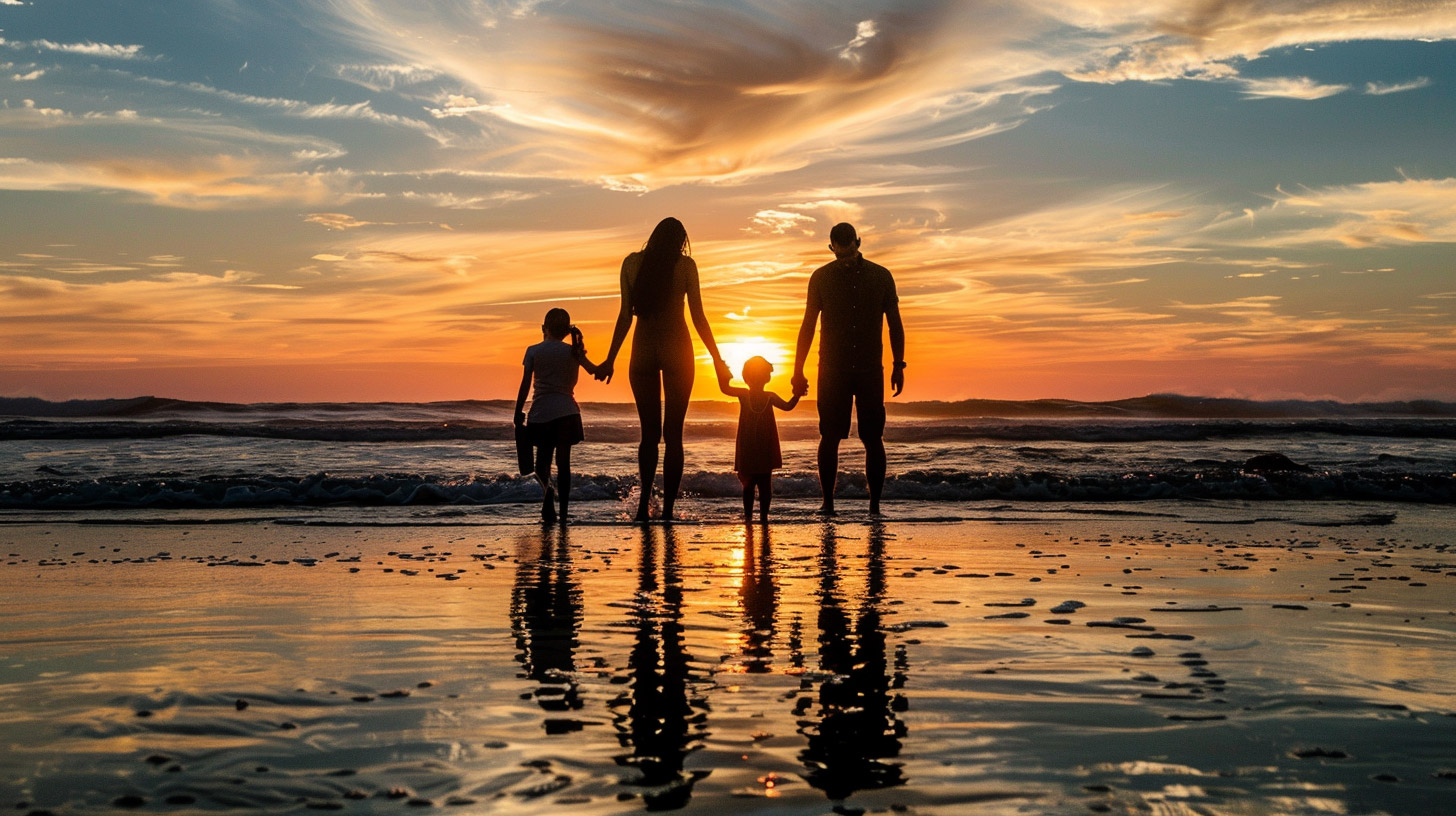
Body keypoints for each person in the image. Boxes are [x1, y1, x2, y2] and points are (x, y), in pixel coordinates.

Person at [597, 217, 730, 522]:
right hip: (677, 350)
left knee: (648, 436)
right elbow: (698, 317)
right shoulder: (685, 266)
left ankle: (644, 504)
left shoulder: (631, 263)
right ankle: (668, 510)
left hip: (642, 350)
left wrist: (609, 359)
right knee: (673, 436)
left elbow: (624, 316)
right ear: (681, 242)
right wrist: (719, 362)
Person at [791, 223, 905, 515]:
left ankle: (875, 506)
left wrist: (898, 364)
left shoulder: (881, 276)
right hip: (832, 369)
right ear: (832, 249)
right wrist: (797, 368)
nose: (846, 260)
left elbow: (894, 323)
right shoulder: (820, 278)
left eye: (851, 254)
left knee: (872, 437)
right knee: (829, 436)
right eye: (841, 256)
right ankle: (827, 504)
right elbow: (808, 324)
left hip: (869, 369)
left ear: (858, 243)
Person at [515, 307, 600, 522]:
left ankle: (547, 493)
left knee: (541, 464)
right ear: (565, 330)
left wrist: (518, 412)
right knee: (564, 465)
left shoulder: (533, 350)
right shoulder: (573, 352)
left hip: (541, 413)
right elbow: (594, 371)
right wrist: (606, 367)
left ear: (544, 328)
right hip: (567, 413)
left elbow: (526, 384)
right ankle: (563, 514)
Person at [720, 356, 800, 523]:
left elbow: (724, 388)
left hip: (751, 445)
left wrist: (721, 369)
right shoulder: (765, 396)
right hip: (763, 446)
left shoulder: (745, 394)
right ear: (767, 377)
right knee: (763, 484)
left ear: (745, 376)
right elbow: (789, 406)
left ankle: (751, 518)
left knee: (750, 484)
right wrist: (797, 394)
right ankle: (762, 518)